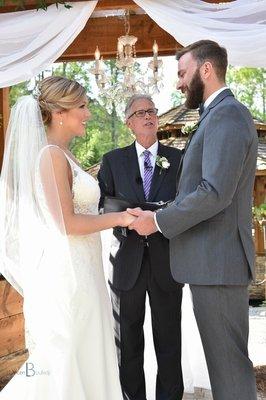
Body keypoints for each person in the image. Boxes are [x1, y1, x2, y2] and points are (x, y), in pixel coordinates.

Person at [127, 40, 258, 400]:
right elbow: (201, 190)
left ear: (205, 70)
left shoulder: (227, 115)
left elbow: (215, 192)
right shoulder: (215, 115)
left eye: (183, 73)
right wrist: (157, 212)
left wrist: (158, 222)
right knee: (225, 366)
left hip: (218, 263)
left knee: (229, 369)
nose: (178, 83)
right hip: (211, 264)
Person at [0, 76, 136, 400]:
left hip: (86, 272)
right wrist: (119, 219)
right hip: (69, 278)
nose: (88, 113)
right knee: (66, 358)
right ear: (60, 112)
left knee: (89, 351)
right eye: (82, 106)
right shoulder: (50, 156)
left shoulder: (65, 155)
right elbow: (67, 224)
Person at [98, 94, 184, 400]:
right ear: (129, 122)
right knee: (128, 344)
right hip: (125, 263)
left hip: (167, 263)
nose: (148, 116)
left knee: (169, 343)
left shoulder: (178, 160)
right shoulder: (112, 161)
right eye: (140, 112)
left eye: (151, 111)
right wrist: (130, 216)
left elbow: (185, 205)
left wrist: (155, 215)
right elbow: (103, 207)